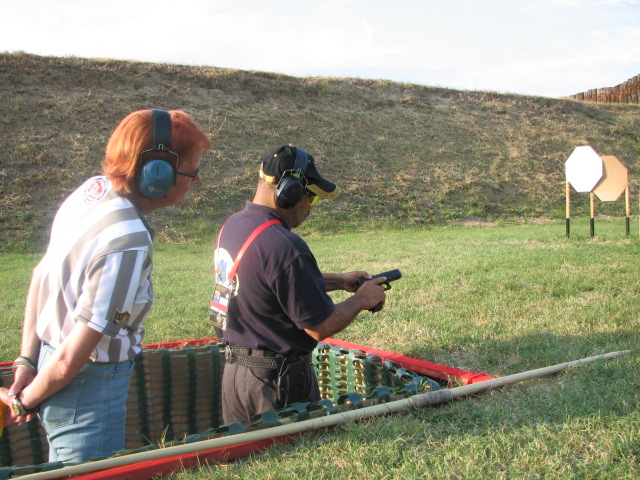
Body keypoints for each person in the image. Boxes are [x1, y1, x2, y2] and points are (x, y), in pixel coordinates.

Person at [0, 109, 211, 464]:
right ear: (157, 174)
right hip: (87, 386)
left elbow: (40, 274)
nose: (198, 179)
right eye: (192, 170)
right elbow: (70, 360)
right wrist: (21, 403)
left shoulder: (92, 191)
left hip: (51, 362)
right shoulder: (129, 241)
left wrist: (26, 362)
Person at [211, 143, 387, 424]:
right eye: (311, 197)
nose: (310, 209)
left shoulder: (234, 225)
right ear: (289, 192)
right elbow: (320, 326)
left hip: (236, 377)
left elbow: (272, 283)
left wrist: (341, 281)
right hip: (277, 385)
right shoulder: (284, 245)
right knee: (292, 449)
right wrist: (362, 299)